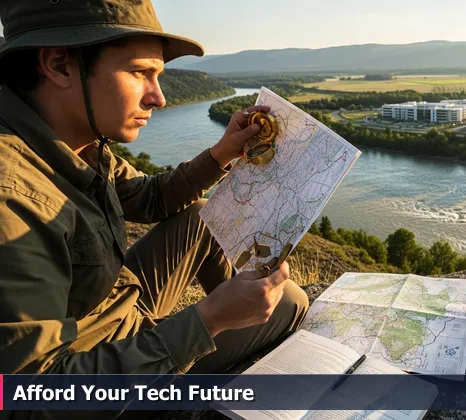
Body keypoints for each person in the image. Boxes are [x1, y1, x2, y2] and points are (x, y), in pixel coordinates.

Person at [0, 0, 309, 384]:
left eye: (158, 76)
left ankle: (240, 315)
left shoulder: (74, 141)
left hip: (110, 308)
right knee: (292, 303)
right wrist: (209, 320)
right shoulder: (12, 197)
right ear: (60, 65)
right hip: (93, 362)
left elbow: (148, 198)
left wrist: (222, 153)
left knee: (202, 216)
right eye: (139, 73)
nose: (158, 97)